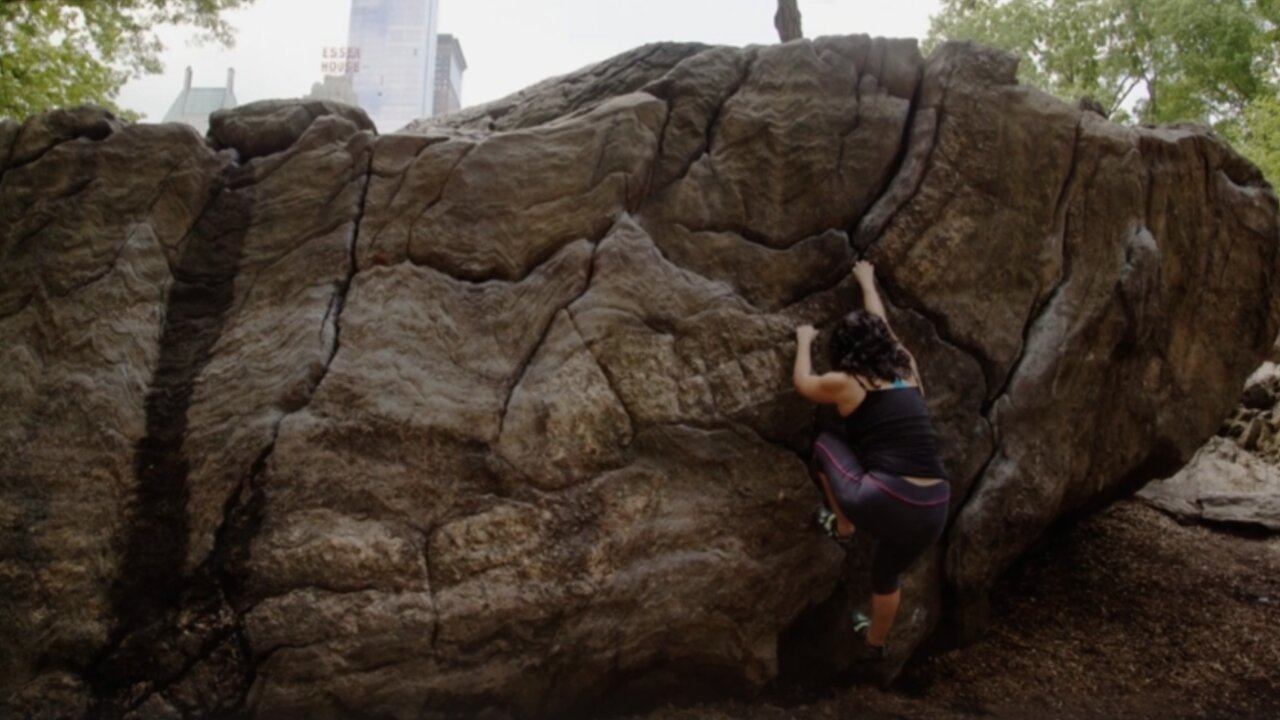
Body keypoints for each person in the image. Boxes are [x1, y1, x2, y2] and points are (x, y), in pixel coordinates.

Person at [791, 259, 950, 659]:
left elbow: (804, 385)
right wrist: (867, 282)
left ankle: (843, 525)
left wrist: (804, 342)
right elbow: (882, 322)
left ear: (844, 352)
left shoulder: (848, 382)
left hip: (884, 498)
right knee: (886, 572)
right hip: (934, 505)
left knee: (825, 442)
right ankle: (875, 645)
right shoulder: (906, 366)